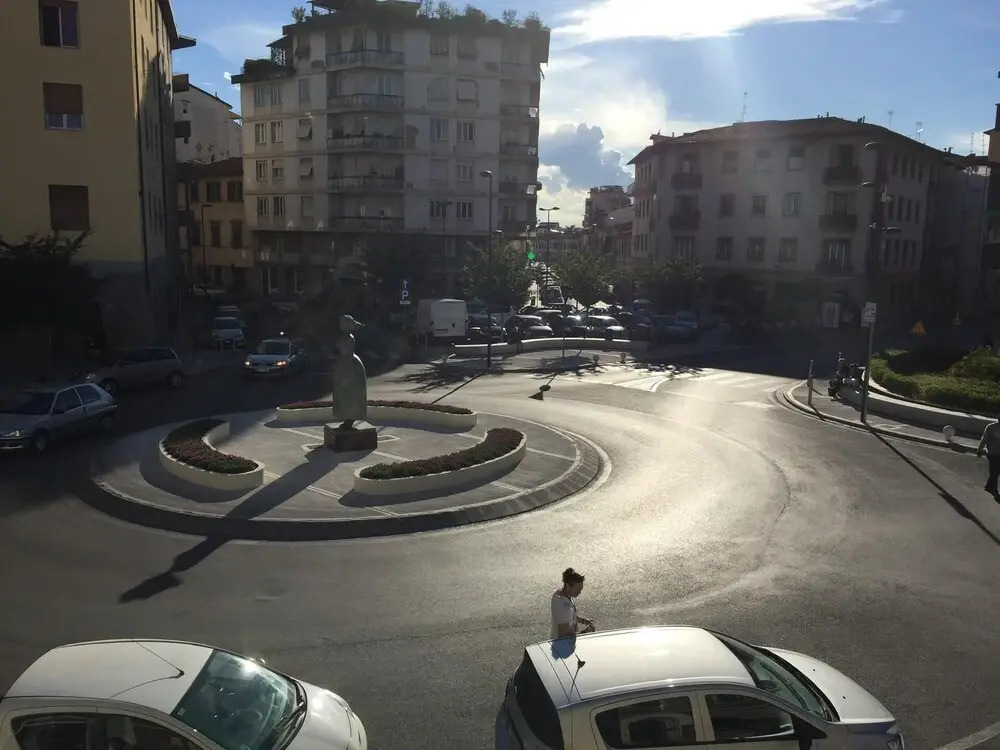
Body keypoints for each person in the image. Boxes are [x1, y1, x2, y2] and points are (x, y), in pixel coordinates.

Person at [551, 567, 595, 639]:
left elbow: (569, 616)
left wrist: (583, 620)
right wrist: (585, 632)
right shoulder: (562, 606)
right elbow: (565, 637)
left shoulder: (562, 593)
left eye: (580, 590)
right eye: (577, 590)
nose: (579, 592)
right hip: (562, 644)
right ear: (568, 585)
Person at [977, 417, 1000, 495]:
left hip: (991, 453)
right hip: (993, 453)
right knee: (995, 471)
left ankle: (988, 486)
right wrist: (979, 449)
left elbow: (984, 439)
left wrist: (979, 450)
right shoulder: (991, 427)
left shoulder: (990, 426)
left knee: (994, 471)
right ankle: (993, 489)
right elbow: (984, 439)